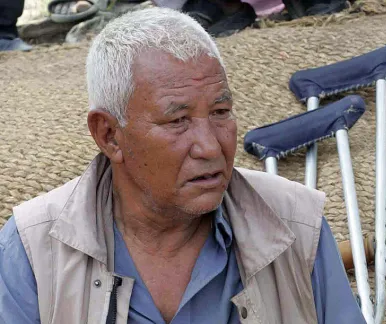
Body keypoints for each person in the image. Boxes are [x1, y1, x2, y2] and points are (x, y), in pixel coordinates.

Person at [0, 7, 366, 324]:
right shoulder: (33, 248)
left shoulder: (296, 225)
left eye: (221, 113)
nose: (210, 147)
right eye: (178, 121)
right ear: (110, 135)